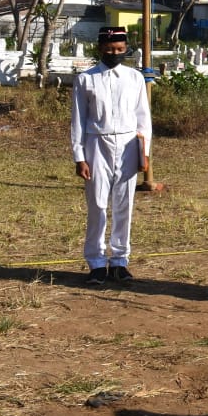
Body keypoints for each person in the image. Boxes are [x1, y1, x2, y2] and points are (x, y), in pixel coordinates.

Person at [70, 26, 152, 287]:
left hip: (128, 144)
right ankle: (96, 263)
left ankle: (119, 261)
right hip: (97, 143)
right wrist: (79, 156)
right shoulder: (86, 79)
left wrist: (144, 152)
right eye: (109, 49)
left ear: (126, 48)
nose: (114, 53)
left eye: (119, 49)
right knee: (97, 204)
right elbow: (78, 121)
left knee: (124, 204)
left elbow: (143, 119)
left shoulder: (134, 78)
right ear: (100, 48)